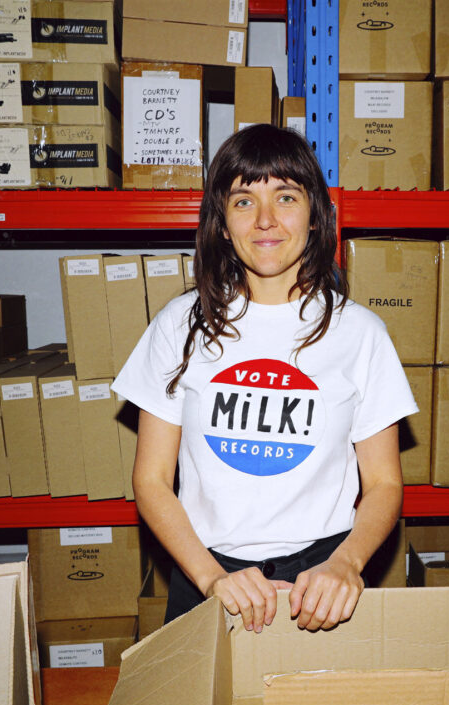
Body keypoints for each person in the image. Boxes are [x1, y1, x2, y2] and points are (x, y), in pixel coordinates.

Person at [111, 123, 417, 634]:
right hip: (204, 574)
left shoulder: (360, 334)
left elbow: (384, 484)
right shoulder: (178, 325)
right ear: (222, 224)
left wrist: (347, 563)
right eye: (244, 201)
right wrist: (212, 580)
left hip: (321, 584)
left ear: (316, 216)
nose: (267, 220)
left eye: (285, 196)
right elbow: (151, 480)